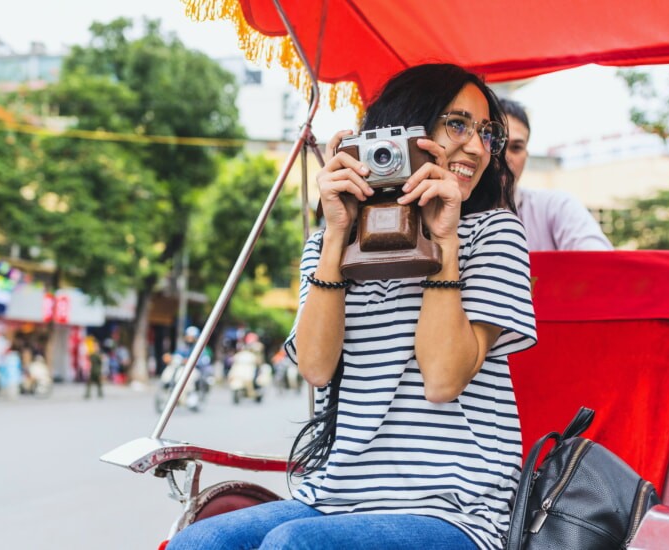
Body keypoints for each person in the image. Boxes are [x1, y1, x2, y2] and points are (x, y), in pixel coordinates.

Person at [167, 64, 537, 550]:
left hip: (457, 510)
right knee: (201, 541)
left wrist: (443, 239)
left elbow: (443, 378)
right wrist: (337, 232)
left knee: (294, 546)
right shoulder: (332, 245)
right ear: (405, 129)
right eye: (457, 124)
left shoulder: (493, 233)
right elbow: (317, 368)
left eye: (486, 132)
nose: (475, 146)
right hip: (337, 497)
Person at [500, 98, 613, 251]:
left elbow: (600, 265)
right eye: (496, 142)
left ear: (526, 155)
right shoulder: (457, 211)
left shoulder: (556, 207)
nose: (505, 156)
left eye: (516, 147)